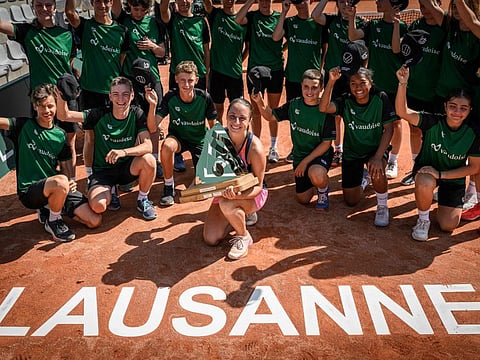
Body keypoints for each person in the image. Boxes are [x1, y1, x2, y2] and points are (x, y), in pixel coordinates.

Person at [0, 84, 101, 242]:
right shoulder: (22, 126)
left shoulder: (60, 135)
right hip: (30, 191)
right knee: (60, 182)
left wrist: (70, 181)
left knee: (94, 221)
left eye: (50, 106)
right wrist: (64, 182)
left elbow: (67, 168)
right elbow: (2, 122)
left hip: (56, 187)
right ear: (35, 106)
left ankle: (50, 208)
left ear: (56, 105)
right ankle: (54, 220)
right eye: (41, 107)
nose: (46, 111)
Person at [395, 65, 480, 241]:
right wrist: (403, 83)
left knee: (448, 225)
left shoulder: (473, 133)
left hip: (452, 178)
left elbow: (473, 168)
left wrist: (441, 174)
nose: (457, 112)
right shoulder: (432, 121)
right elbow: (402, 112)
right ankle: (423, 220)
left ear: (470, 110)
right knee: (425, 180)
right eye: (453, 106)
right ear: (445, 106)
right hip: (428, 172)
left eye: (463, 108)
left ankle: (442, 198)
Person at [56, 77, 158, 221]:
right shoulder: (99, 114)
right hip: (104, 171)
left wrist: (123, 152)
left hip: (127, 168)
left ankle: (143, 199)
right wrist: (62, 96)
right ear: (110, 96)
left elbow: (148, 146)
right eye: (116, 94)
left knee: (149, 160)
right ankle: (110, 190)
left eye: (125, 94)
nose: (120, 99)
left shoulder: (137, 113)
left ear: (132, 95)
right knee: (98, 206)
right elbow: (64, 115)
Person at [0, 0, 79, 179]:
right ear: (33, 7)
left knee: (69, 144)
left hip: (64, 99)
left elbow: (70, 64)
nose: (44, 9)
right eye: (39, 5)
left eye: (48, 4)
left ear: (54, 6)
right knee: (45, 144)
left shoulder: (66, 34)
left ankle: (71, 185)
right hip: (41, 101)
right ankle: (49, 188)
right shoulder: (27, 32)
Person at [65, 0, 129, 195]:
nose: (102, 4)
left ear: (111, 2)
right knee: (91, 137)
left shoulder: (121, 31)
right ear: (92, 3)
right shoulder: (86, 26)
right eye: (98, 0)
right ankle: (92, 174)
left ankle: (120, 176)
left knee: (116, 136)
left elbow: (121, 60)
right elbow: (69, 13)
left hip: (113, 93)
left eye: (106, 0)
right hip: (91, 91)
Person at [319, 66, 395, 227]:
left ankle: (382, 206)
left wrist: (377, 157)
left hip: (375, 150)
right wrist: (331, 81)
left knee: (377, 168)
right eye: (353, 83)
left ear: (370, 83)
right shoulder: (346, 101)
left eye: (362, 82)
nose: (358, 87)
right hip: (353, 152)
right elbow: (323, 107)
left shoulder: (380, 98)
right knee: (351, 201)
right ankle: (364, 179)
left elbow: (389, 129)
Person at [252, 69, 335, 210]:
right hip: (300, 156)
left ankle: (323, 190)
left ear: (321, 88)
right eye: (306, 87)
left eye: (314, 87)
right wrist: (259, 102)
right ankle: (312, 180)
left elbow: (327, 143)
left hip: (319, 155)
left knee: (317, 173)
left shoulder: (325, 110)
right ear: (301, 86)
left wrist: (305, 162)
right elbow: (270, 116)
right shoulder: (294, 105)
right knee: (303, 199)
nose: (310, 91)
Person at [348, 0, 407, 179]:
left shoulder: (404, 27)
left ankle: (393, 160)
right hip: (374, 85)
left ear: (393, 4)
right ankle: (371, 160)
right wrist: (351, 18)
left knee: (395, 124)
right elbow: (353, 36)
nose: (377, 2)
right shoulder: (373, 25)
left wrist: (396, 25)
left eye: (381, 0)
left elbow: (398, 50)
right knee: (375, 126)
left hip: (394, 85)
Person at [203, 98, 267, 260]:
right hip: (225, 191)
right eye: (232, 116)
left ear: (250, 120)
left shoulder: (255, 148)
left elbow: (259, 187)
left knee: (226, 203)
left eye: (242, 118)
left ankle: (243, 235)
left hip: (253, 193)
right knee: (210, 238)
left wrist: (236, 196)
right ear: (226, 117)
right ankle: (239, 215)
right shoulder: (217, 139)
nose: (236, 122)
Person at [392, 0, 448, 186]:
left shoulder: (446, 27)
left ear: (438, 3)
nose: (425, 9)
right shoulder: (416, 25)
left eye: (429, 4)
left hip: (437, 93)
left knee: (437, 136)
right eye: (422, 5)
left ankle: (439, 174)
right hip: (415, 89)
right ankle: (417, 167)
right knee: (415, 131)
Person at [150, 61, 218, 207]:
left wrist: (215, 154)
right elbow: (153, 126)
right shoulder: (170, 97)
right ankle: (169, 187)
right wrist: (152, 106)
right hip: (178, 138)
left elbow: (214, 127)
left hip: (199, 141)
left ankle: (200, 174)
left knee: (201, 189)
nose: (186, 84)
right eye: (182, 80)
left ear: (197, 80)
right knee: (167, 146)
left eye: (190, 80)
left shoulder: (204, 97)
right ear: (176, 79)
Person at [111, 0, 166, 180]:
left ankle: (155, 159)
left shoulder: (154, 23)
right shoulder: (124, 20)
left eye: (143, 9)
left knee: (153, 121)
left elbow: (162, 53)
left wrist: (152, 46)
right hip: (131, 79)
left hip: (152, 79)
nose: (139, 13)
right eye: (136, 9)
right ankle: (134, 161)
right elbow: (116, 6)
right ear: (130, 7)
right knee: (134, 121)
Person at [312, 0, 368, 168]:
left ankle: (355, 148)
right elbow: (315, 15)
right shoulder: (332, 21)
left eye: (348, 1)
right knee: (334, 116)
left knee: (354, 116)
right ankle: (338, 150)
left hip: (353, 79)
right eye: (341, 1)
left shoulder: (363, 25)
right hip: (334, 77)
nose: (344, 5)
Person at [236, 0, 284, 163]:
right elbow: (238, 19)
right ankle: (255, 146)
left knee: (273, 111)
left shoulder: (280, 17)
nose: (264, 2)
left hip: (275, 70)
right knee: (256, 111)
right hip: (255, 71)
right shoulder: (252, 17)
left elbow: (286, 38)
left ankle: (273, 147)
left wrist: (280, 51)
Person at [203, 0, 248, 123]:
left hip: (235, 73)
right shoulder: (215, 14)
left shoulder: (244, 20)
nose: (228, 1)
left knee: (238, 109)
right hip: (217, 72)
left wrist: (237, 61)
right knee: (217, 110)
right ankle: (220, 140)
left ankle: (236, 140)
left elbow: (247, 48)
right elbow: (206, 3)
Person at [157, 0, 210, 91]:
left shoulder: (201, 21)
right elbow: (163, 8)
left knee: (198, 104)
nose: (184, 1)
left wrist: (207, 74)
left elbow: (206, 51)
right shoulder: (173, 20)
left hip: (198, 73)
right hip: (177, 73)